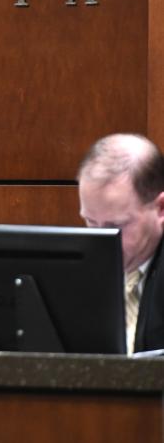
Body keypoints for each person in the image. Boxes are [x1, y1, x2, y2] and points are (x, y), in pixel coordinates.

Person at [76, 133, 164, 354]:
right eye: (90, 222)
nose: (101, 241)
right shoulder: (79, 265)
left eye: (116, 225)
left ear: (161, 208)